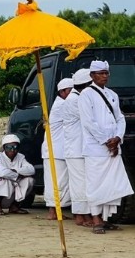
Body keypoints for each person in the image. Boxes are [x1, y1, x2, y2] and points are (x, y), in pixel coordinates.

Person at [79, 60, 134, 231]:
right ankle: (96, 219)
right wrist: (106, 140)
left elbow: (120, 118)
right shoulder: (86, 94)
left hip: (113, 147)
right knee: (95, 183)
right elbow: (88, 122)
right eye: (100, 73)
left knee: (111, 184)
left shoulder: (112, 94)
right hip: (95, 148)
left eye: (106, 73)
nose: (104, 76)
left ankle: (105, 218)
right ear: (92, 75)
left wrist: (117, 137)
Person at [62, 69, 93, 226]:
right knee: (79, 183)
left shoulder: (76, 97)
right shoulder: (74, 100)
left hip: (79, 148)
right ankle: (81, 216)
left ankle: (84, 215)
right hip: (75, 149)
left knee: (81, 183)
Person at [42, 78, 74, 220]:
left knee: (59, 182)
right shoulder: (62, 105)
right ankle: (52, 212)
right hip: (54, 150)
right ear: (62, 92)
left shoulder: (63, 103)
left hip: (59, 149)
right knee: (55, 182)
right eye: (70, 90)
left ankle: (56, 211)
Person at [0, 135, 35, 216]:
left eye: (15, 147)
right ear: (4, 148)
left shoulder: (20, 157)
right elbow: (3, 173)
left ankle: (15, 206)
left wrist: (16, 170)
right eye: (9, 147)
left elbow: (31, 169)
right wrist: (18, 175)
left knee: (29, 180)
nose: (12, 150)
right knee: (3, 179)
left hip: (13, 193)